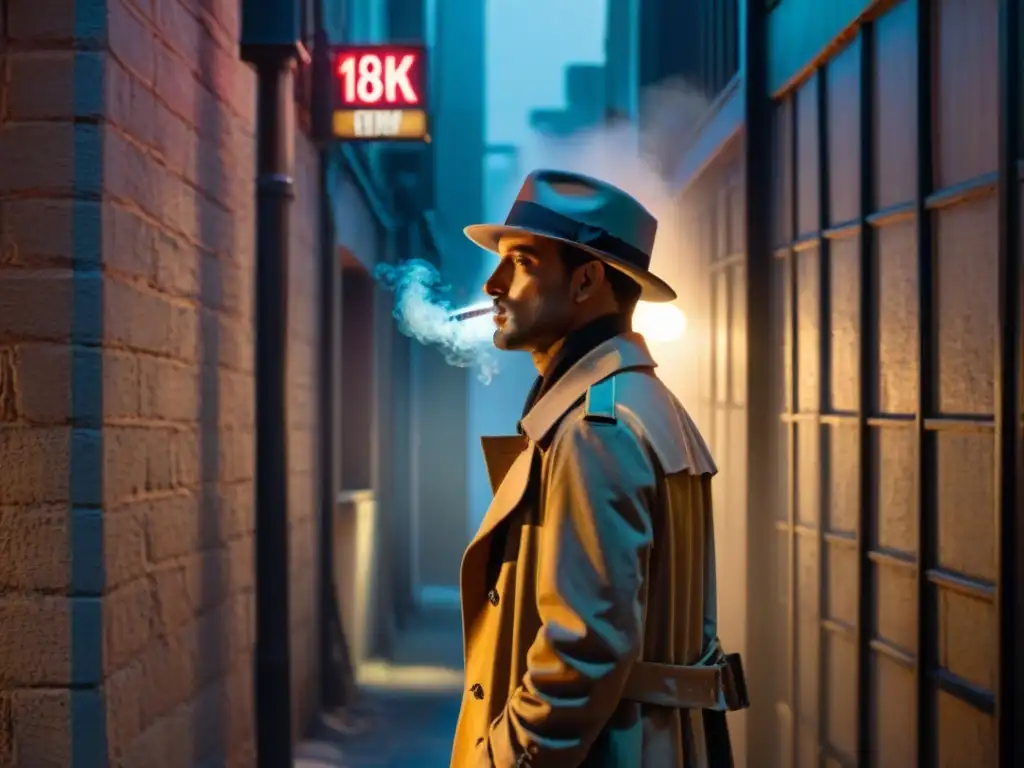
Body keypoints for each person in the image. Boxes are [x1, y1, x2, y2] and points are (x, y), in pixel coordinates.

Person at [449, 169, 749, 768]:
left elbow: (583, 653)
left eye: (524, 262)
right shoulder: (640, 402)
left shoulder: (595, 429)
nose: (493, 283)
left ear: (586, 280)